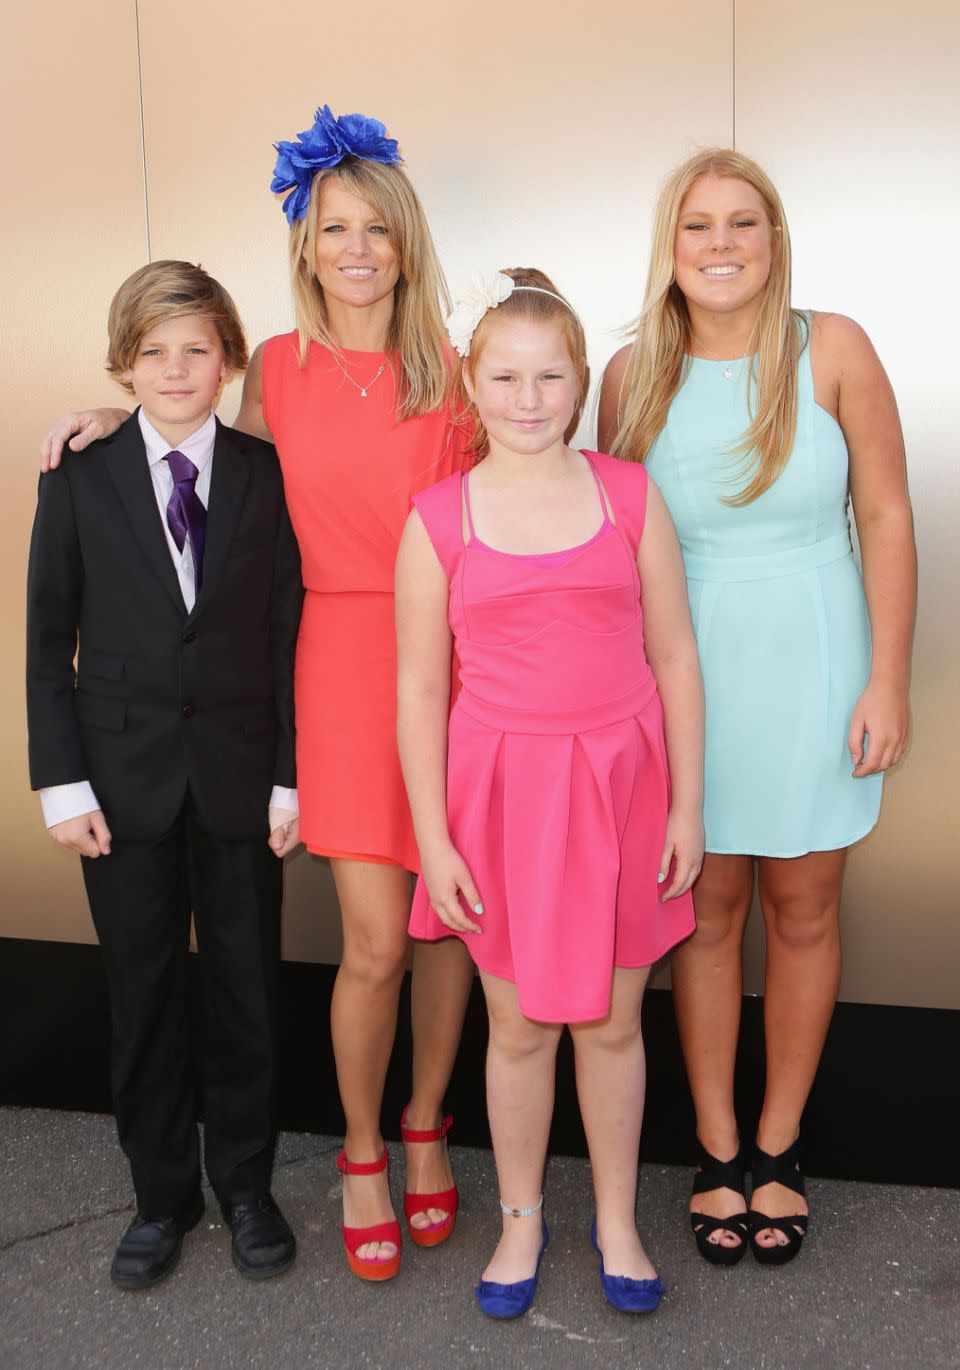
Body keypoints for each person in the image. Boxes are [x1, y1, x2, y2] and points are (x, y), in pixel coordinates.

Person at [39, 105, 474, 1283]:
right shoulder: (272, 368)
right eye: (338, 225)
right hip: (328, 665)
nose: (359, 247)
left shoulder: (463, 371)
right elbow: (189, 454)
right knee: (379, 937)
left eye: (379, 227)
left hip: (451, 665)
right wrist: (98, 417)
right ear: (307, 239)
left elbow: (507, 515)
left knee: (454, 924)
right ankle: (366, 1152)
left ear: (407, 240)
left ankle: (431, 1122)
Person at [598, 149, 915, 1266]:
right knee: (709, 907)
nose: (720, 243)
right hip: (688, 680)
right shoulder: (632, 372)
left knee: (807, 905)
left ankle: (781, 1145)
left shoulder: (832, 349)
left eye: (743, 222)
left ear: (775, 239)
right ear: (670, 247)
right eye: (697, 226)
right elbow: (606, 545)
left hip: (822, 665)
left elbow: (883, 515)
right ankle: (718, 1147)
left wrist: (888, 676)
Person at [396, 268, 703, 1318]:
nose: (528, 398)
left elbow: (675, 654)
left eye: (550, 376)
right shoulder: (440, 517)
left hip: (620, 789)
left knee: (614, 1022)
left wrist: (689, 807)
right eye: (506, 376)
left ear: (581, 383)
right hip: (501, 804)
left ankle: (615, 1212)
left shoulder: (628, 494)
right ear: (471, 385)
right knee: (518, 1022)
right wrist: (434, 838)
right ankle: (519, 1213)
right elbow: (421, 686)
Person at [26, 260, 303, 1288]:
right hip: (118, 782)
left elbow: (285, 633)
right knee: (142, 991)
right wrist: (63, 782)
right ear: (124, 364)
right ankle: (159, 1193)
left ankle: (245, 1182)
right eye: (154, 351)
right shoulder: (81, 475)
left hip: (239, 778)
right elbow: (48, 635)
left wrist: (289, 774)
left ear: (229, 359)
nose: (177, 368)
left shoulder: (265, 471)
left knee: (245, 991)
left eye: (197, 348)